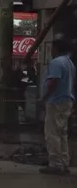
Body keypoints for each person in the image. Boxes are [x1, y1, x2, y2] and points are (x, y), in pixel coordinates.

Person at [40, 39, 75, 175]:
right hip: (67, 101)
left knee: (52, 134)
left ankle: (55, 165)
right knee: (62, 134)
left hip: (55, 102)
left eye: (52, 48)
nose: (51, 51)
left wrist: (44, 99)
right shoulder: (69, 63)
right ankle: (64, 164)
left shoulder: (56, 62)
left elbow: (53, 82)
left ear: (57, 48)